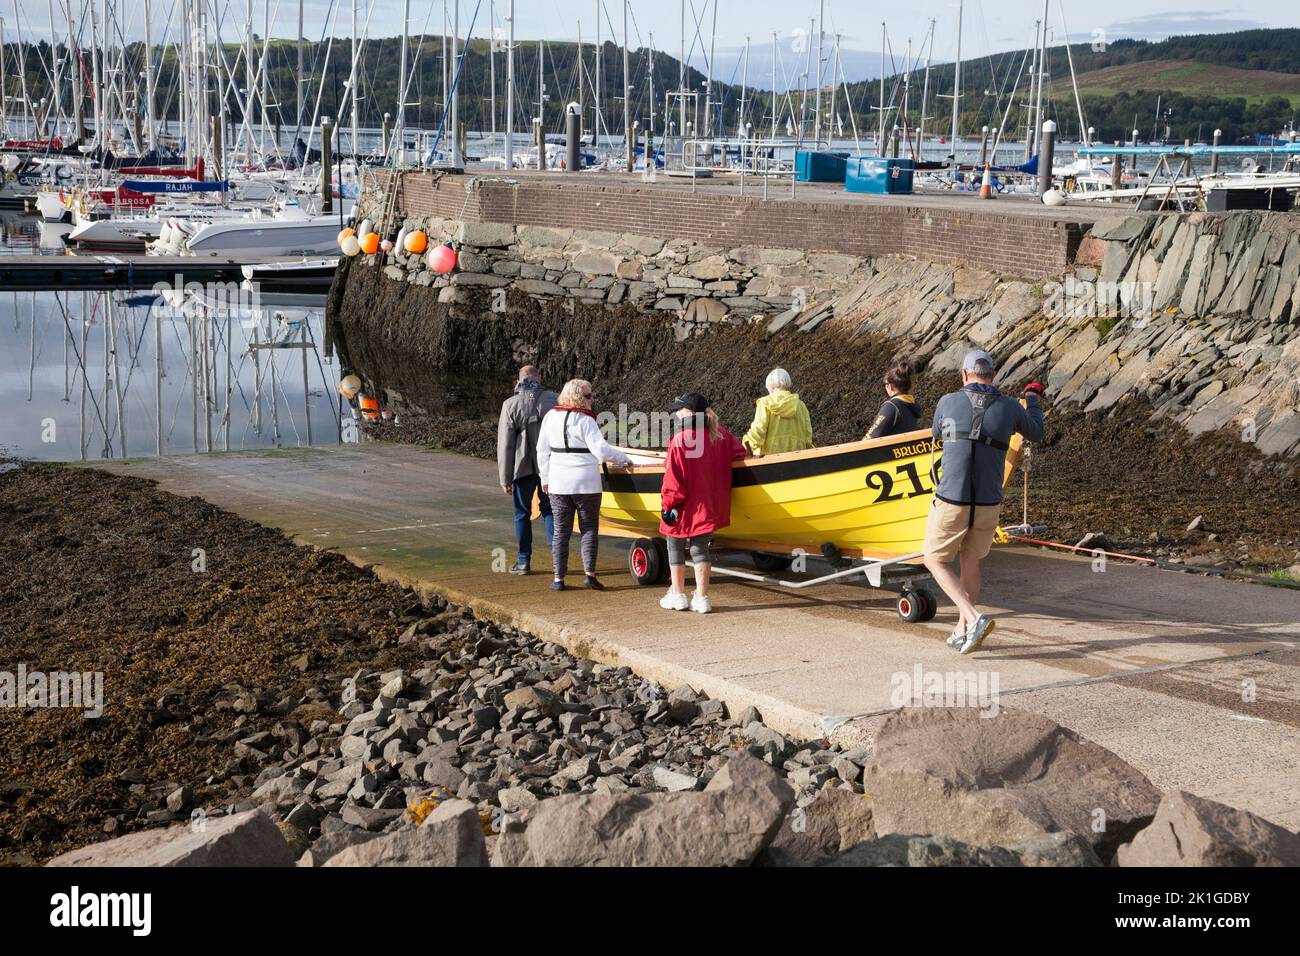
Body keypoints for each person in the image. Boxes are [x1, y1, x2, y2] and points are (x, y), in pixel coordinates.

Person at [923, 350, 1044, 655]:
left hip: (952, 498)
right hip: (988, 501)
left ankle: (973, 617)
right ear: (992, 376)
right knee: (970, 560)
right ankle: (964, 628)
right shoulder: (1008, 408)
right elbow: (1037, 432)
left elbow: (937, 433)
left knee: (933, 559)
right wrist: (1032, 398)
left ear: (964, 375)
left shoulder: (947, 402)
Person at [536, 378, 632, 591]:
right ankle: (589, 575)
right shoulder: (586, 420)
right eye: (588, 396)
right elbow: (601, 451)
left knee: (561, 531)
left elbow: (542, 451)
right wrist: (623, 457)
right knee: (589, 529)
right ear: (579, 397)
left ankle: (558, 579)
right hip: (586, 483)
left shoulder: (550, 416)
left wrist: (545, 478)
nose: (592, 399)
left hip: (559, 483)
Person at [659, 393, 747, 614]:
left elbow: (673, 480)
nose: (676, 414)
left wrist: (668, 506)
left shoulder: (679, 439)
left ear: (687, 413)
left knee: (675, 547)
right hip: (708, 504)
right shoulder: (722, 436)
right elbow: (740, 453)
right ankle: (702, 598)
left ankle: (678, 595)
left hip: (684, 505)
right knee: (700, 550)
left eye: (678, 411)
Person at [497, 366, 556, 575]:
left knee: (521, 513)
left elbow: (506, 445)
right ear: (539, 377)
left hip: (522, 468)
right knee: (550, 509)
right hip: (550, 466)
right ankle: (558, 559)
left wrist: (505, 478)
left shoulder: (510, 405)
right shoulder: (554, 400)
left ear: (519, 379)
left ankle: (523, 561)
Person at [741, 368, 813, 457]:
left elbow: (759, 430)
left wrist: (744, 447)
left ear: (771, 387)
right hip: (798, 458)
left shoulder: (765, 403)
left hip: (771, 458)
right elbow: (807, 436)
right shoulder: (801, 406)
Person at [866, 360, 922, 439]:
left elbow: (871, 437)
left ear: (890, 386)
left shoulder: (891, 407)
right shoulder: (911, 406)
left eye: (885, 384)